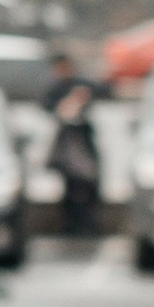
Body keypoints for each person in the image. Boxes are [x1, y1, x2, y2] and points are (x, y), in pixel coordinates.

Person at [42, 49, 103, 240]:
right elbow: (46, 105)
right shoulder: (57, 88)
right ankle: (71, 223)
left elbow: (102, 90)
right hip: (66, 145)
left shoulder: (81, 84)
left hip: (83, 142)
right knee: (69, 187)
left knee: (89, 184)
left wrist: (83, 97)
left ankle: (88, 223)